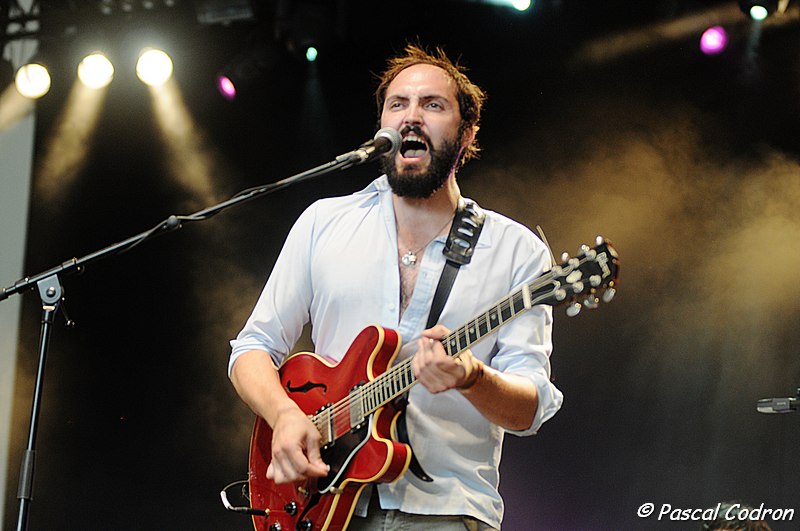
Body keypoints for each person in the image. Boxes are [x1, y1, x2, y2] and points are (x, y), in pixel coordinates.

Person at [229, 44, 563, 530]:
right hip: (322, 505)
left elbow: (529, 407)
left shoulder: (516, 251)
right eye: (397, 104)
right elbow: (252, 348)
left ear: (467, 134)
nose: (411, 117)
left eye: (432, 105)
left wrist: (472, 376)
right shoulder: (324, 222)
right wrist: (284, 415)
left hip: (446, 510)